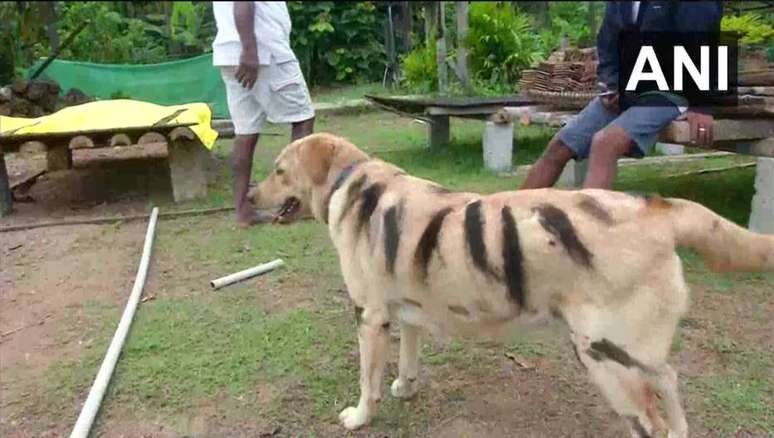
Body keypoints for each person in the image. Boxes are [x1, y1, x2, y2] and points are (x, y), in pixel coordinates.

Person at [520, 1, 722, 190]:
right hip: (631, 86)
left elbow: (704, 43)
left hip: (671, 90)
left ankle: (589, 227)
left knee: (605, 143)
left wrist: (700, 105)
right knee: (560, 146)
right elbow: (607, 43)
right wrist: (612, 86)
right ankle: (505, 221)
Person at [212, 1, 315, 227]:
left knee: (245, 132)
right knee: (303, 118)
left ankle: (242, 211)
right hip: (262, 50)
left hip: (229, 51)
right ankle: (295, 200)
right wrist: (250, 51)